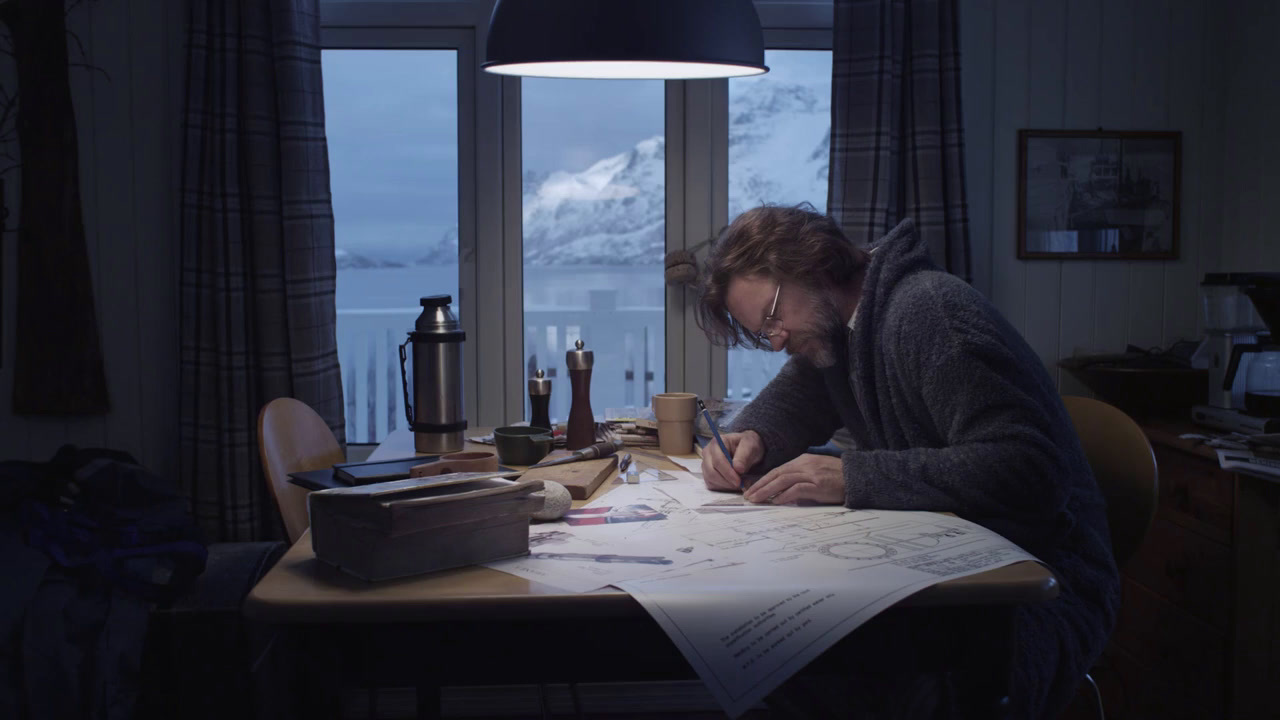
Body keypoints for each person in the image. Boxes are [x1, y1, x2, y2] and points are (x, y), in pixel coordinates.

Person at [694, 204, 1119, 718]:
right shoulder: (839, 329)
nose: (777, 339)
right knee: (783, 654)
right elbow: (795, 399)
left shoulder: (928, 313)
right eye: (763, 333)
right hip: (949, 570)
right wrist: (746, 437)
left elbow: (1028, 469)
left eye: (772, 317)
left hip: (1039, 584)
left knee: (826, 668)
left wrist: (853, 476)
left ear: (813, 263)